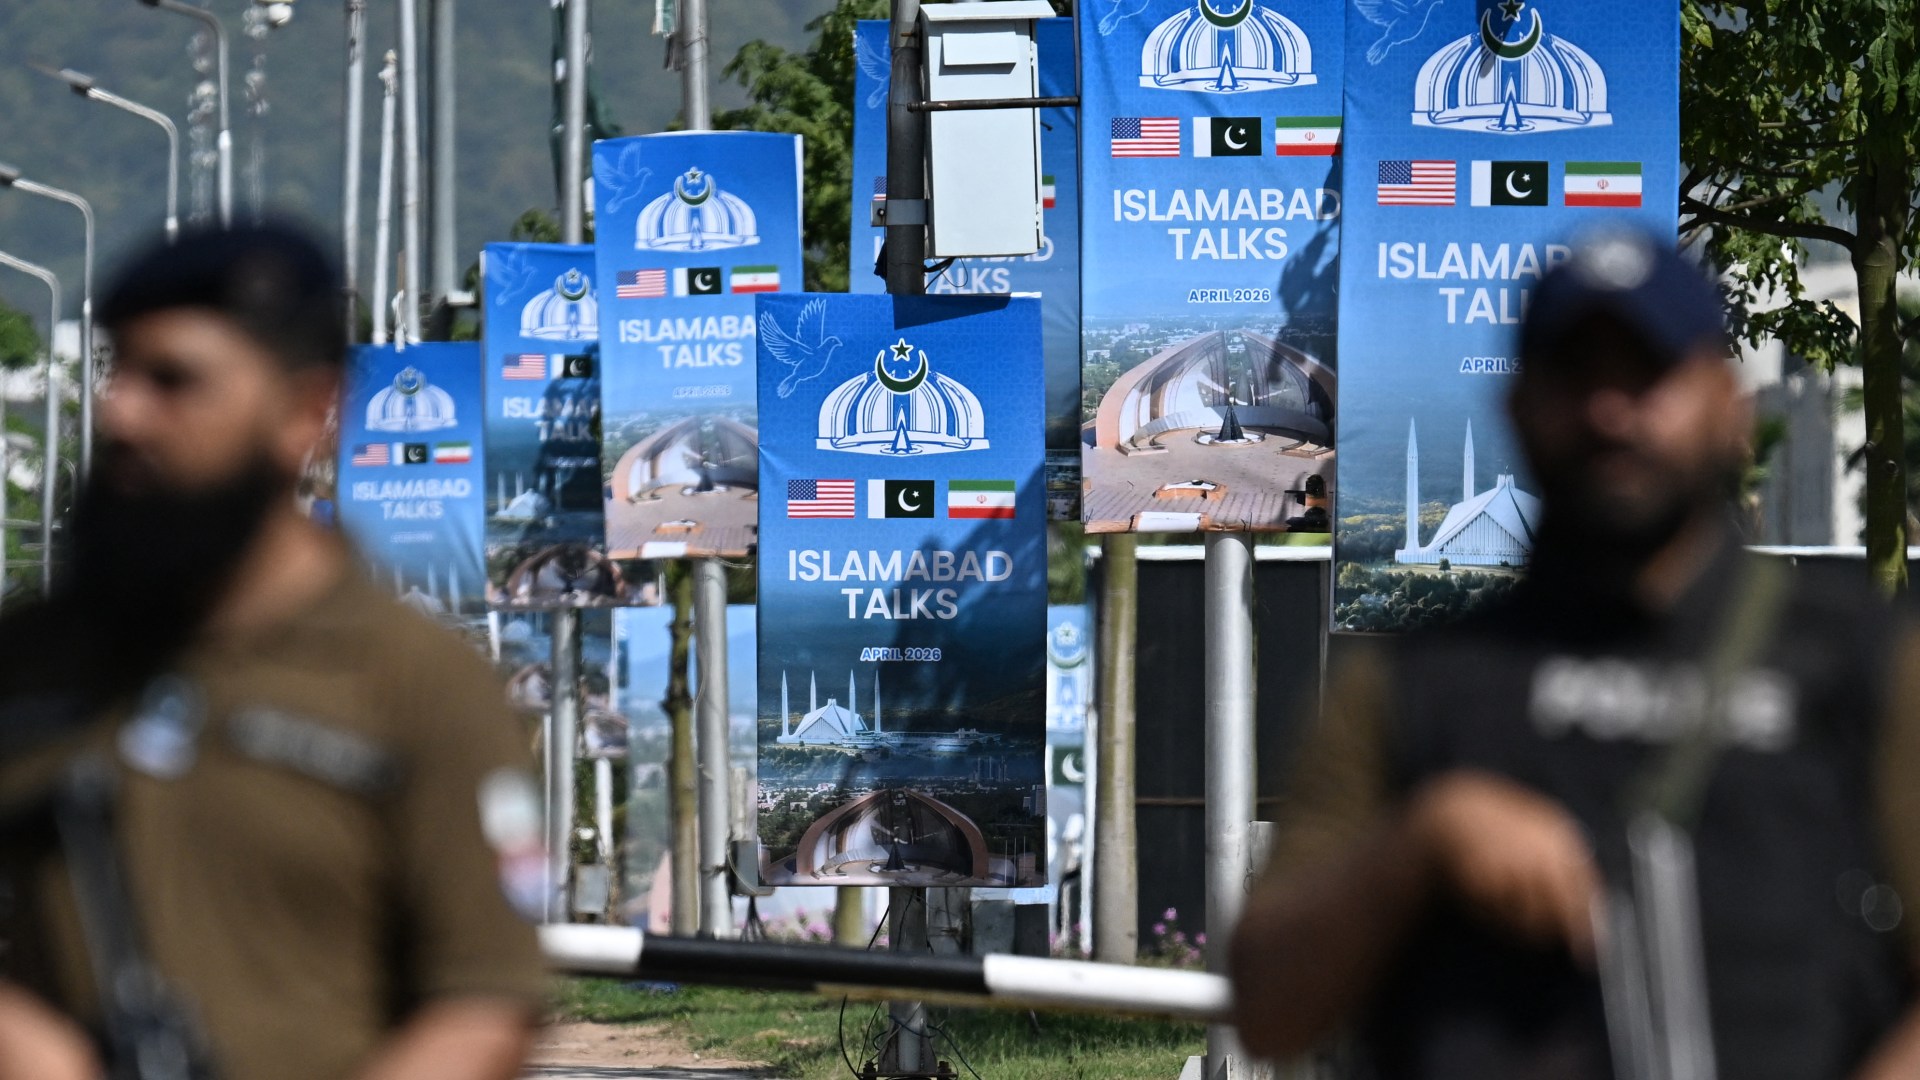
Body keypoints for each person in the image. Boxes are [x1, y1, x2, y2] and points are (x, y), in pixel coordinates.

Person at [1229, 227, 1920, 1078]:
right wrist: (1423, 843)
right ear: (1518, 406)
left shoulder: (1863, 665)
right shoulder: (1417, 685)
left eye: (1648, 374)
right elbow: (1267, 1005)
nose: (1611, 413)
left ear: (1730, 406)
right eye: (1576, 376)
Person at [0, 223, 548, 1080]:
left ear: (303, 413)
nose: (122, 414)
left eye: (173, 380)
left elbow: (485, 1005)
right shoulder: (30, 664)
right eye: (118, 372)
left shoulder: (417, 683)